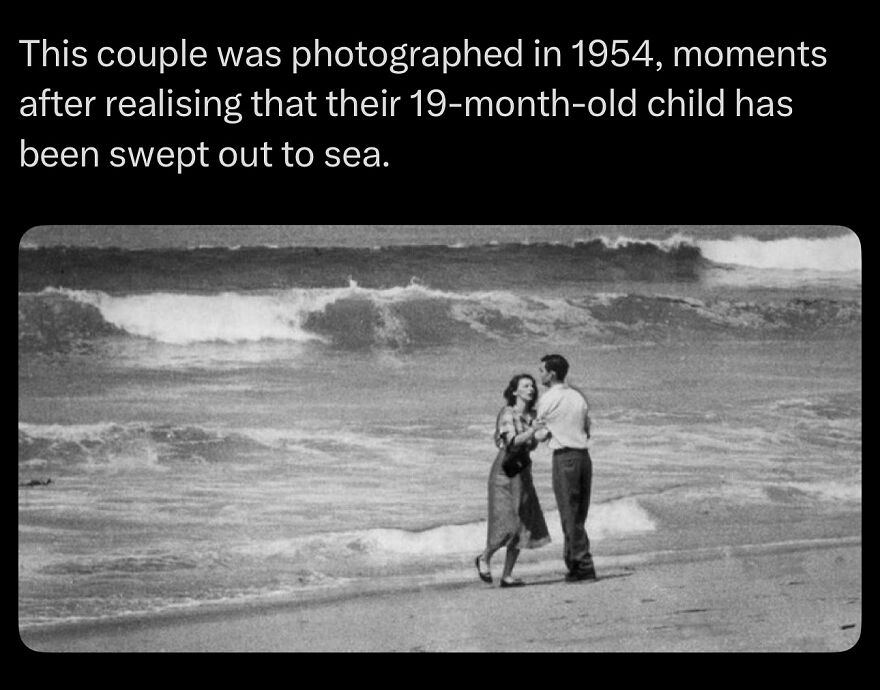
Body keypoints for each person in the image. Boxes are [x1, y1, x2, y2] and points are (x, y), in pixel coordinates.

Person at [476, 374, 551, 588]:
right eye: (525, 386)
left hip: (523, 469)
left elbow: (534, 441)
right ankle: (484, 557)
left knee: (522, 523)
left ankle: (507, 575)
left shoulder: (533, 415)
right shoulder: (508, 413)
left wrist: (543, 434)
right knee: (505, 522)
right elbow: (511, 442)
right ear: (515, 391)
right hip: (505, 471)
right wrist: (533, 431)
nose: (531, 389)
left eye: (532, 386)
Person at [535, 354, 597, 582]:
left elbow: (540, 433)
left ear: (551, 374)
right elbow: (587, 427)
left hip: (565, 457)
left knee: (569, 515)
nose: (540, 375)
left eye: (542, 371)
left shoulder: (548, 398)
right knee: (578, 514)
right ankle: (575, 563)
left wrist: (540, 431)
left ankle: (583, 565)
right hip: (583, 457)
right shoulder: (577, 396)